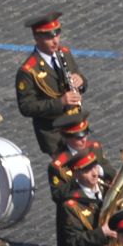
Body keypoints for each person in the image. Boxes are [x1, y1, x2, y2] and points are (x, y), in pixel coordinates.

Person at [13, 13, 86, 155]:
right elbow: (26, 107)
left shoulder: (64, 53)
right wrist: (61, 102)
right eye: (49, 37)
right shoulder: (29, 70)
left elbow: (79, 78)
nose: (55, 41)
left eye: (57, 35)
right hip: (54, 135)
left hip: (75, 125)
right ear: (37, 37)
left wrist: (81, 81)